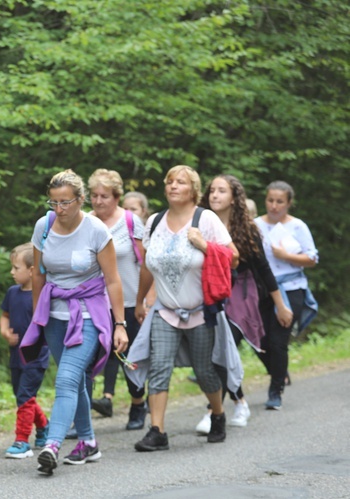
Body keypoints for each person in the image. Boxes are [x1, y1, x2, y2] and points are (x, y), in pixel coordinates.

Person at [19, 169, 128, 475]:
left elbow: (113, 280)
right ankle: (89, 442)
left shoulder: (95, 230)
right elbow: (39, 274)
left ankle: (52, 445)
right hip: (54, 314)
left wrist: (120, 324)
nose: (59, 209)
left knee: (66, 379)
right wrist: (37, 316)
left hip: (89, 313)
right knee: (75, 381)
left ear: (80, 200)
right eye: (53, 202)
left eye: (65, 202)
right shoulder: (44, 225)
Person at [128, 165, 240, 452]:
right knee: (159, 367)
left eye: (180, 182)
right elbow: (147, 267)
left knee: (204, 371)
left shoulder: (206, 219)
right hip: (164, 311)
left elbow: (234, 258)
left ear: (193, 190)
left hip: (201, 311)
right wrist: (141, 300)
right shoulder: (153, 222)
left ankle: (217, 414)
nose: (173, 186)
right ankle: (157, 431)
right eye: (169, 182)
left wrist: (203, 244)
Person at [196, 175, 293, 432]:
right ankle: (239, 401)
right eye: (212, 191)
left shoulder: (247, 229)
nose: (215, 195)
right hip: (208, 292)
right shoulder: (198, 224)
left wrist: (280, 305)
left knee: (226, 346)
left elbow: (264, 270)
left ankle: (212, 412)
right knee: (216, 352)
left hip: (241, 294)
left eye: (222, 191)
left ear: (233, 197)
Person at [87, 169, 148, 430]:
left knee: (129, 358)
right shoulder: (85, 221)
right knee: (88, 358)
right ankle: (82, 416)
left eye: (105, 196)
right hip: (94, 303)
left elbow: (147, 263)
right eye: (94, 195)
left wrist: (147, 298)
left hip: (131, 301)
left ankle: (137, 404)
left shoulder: (131, 222)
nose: (99, 201)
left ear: (117, 197)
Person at [254, 180, 318, 410]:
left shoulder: (298, 226)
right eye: (270, 200)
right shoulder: (255, 225)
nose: (274, 206)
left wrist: (285, 255)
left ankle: (275, 391)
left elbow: (311, 258)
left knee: (278, 341)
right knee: (258, 340)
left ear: (289, 203)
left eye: (279, 201)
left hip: (291, 288)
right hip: (261, 290)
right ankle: (279, 372)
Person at [0, 243, 50, 458]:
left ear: (31, 270)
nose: (12, 272)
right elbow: (5, 316)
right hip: (16, 356)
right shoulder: (12, 293)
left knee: (25, 394)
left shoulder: (42, 294)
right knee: (23, 397)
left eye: (16, 268)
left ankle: (22, 441)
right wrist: (5, 333)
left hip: (36, 357)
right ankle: (44, 426)